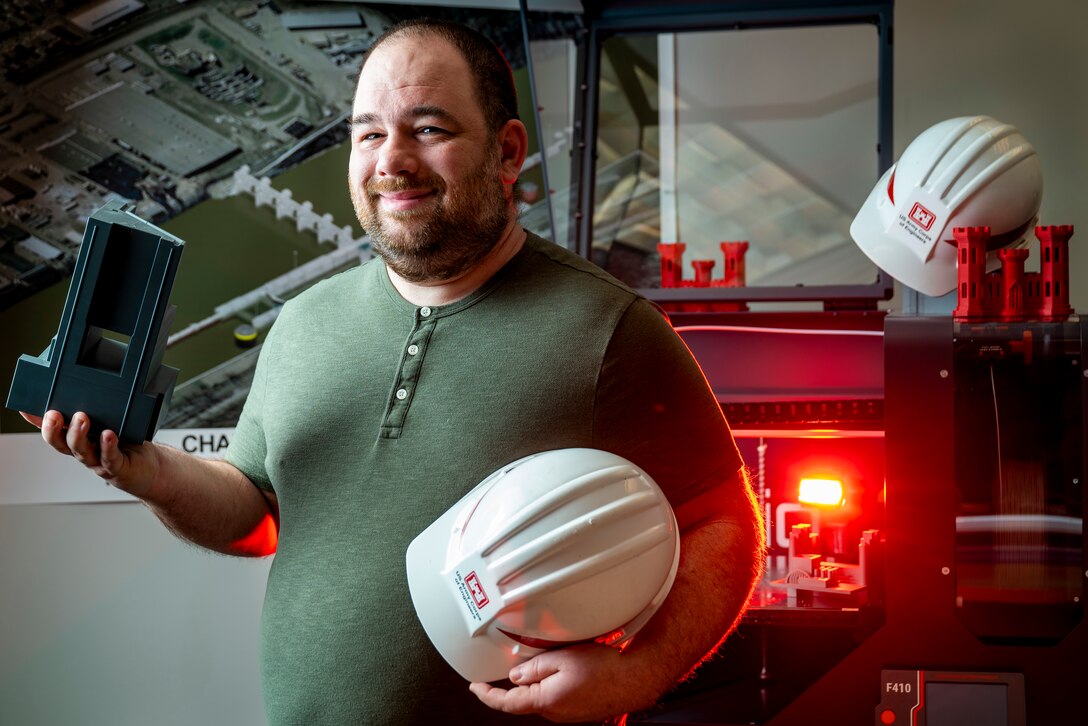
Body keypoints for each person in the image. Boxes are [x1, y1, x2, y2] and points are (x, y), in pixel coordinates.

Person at [22, 18, 763, 725]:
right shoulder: (304, 322)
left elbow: (727, 524)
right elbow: (257, 512)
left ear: (507, 152)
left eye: (429, 130)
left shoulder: (609, 329)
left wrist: (641, 671)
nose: (391, 160)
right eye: (368, 133)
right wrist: (144, 472)